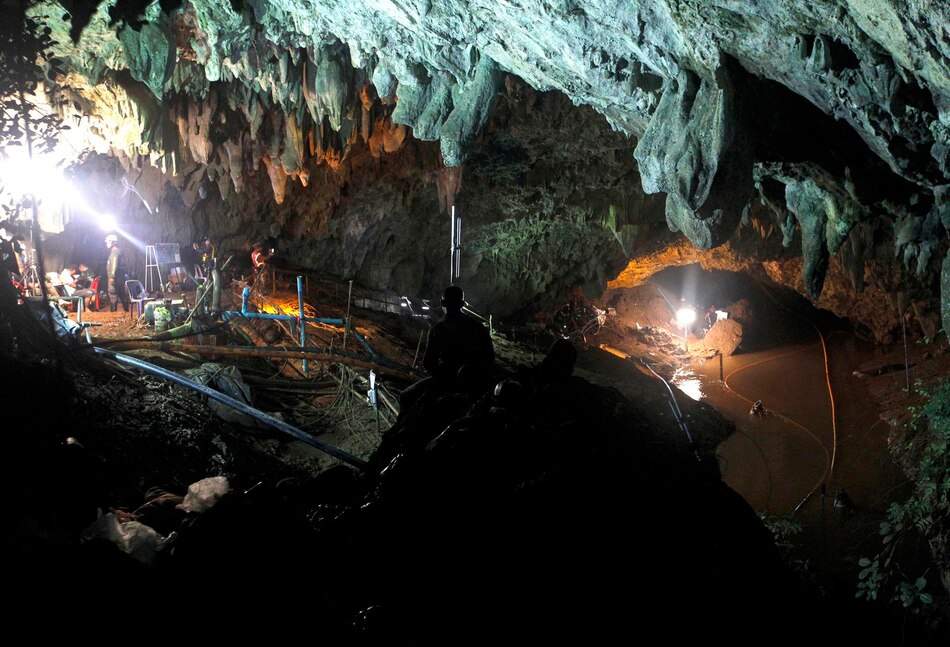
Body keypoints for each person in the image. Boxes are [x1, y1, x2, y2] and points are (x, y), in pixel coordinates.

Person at [422, 285, 495, 387]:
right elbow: (490, 357)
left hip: (448, 381)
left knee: (405, 396)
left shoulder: (437, 329)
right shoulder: (478, 326)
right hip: (476, 380)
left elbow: (428, 363)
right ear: (462, 304)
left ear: (442, 303)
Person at [105, 234, 129, 312]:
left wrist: (112, 276)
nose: (106, 244)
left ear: (113, 243)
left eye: (108, 242)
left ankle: (113, 313)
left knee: (113, 293)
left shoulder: (115, 252)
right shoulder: (118, 251)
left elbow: (114, 263)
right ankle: (126, 310)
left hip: (116, 277)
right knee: (121, 292)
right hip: (120, 276)